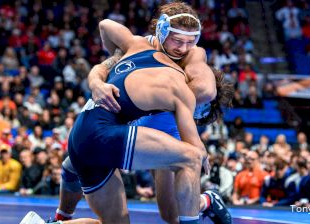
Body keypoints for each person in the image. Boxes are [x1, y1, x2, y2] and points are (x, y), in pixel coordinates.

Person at [21, 19, 232, 224]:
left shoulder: (181, 58)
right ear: (163, 32)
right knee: (189, 160)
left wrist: (180, 96)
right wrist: (95, 81)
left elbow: (206, 89)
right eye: (178, 40)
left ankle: (57, 221)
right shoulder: (139, 45)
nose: (183, 48)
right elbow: (104, 38)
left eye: (189, 43)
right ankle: (206, 200)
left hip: (98, 129)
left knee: (74, 164)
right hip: (105, 127)